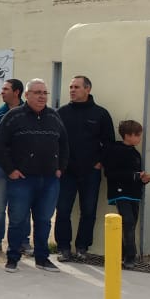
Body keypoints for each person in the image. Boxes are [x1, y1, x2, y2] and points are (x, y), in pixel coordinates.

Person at [0, 78, 68, 273]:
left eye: (44, 93)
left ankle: (42, 258)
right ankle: (12, 258)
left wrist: (61, 167)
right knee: (18, 220)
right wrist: (10, 170)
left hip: (50, 180)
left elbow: (64, 144)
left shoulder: (54, 117)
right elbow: (0, 145)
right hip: (22, 181)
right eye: (37, 93)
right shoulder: (13, 117)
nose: (42, 96)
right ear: (26, 95)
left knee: (44, 220)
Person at [55, 76, 114, 261]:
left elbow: (109, 142)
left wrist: (99, 162)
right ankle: (64, 248)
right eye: (71, 87)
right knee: (63, 210)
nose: (72, 90)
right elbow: (53, 140)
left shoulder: (100, 114)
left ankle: (82, 247)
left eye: (76, 87)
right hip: (66, 172)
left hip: (90, 172)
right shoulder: (61, 113)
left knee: (88, 211)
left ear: (87, 89)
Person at [0, 78, 31, 257]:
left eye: (6, 89)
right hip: (1, 169)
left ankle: (24, 242)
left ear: (17, 92)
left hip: (23, 169)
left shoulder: (28, 113)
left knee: (23, 207)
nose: (2, 92)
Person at [103, 120, 150, 269]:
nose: (139, 138)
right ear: (127, 135)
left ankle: (124, 256)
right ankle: (130, 258)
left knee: (130, 226)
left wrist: (143, 180)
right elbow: (110, 173)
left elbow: (136, 176)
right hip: (120, 193)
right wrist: (135, 176)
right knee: (128, 223)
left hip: (134, 194)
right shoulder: (115, 150)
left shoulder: (136, 154)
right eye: (137, 135)